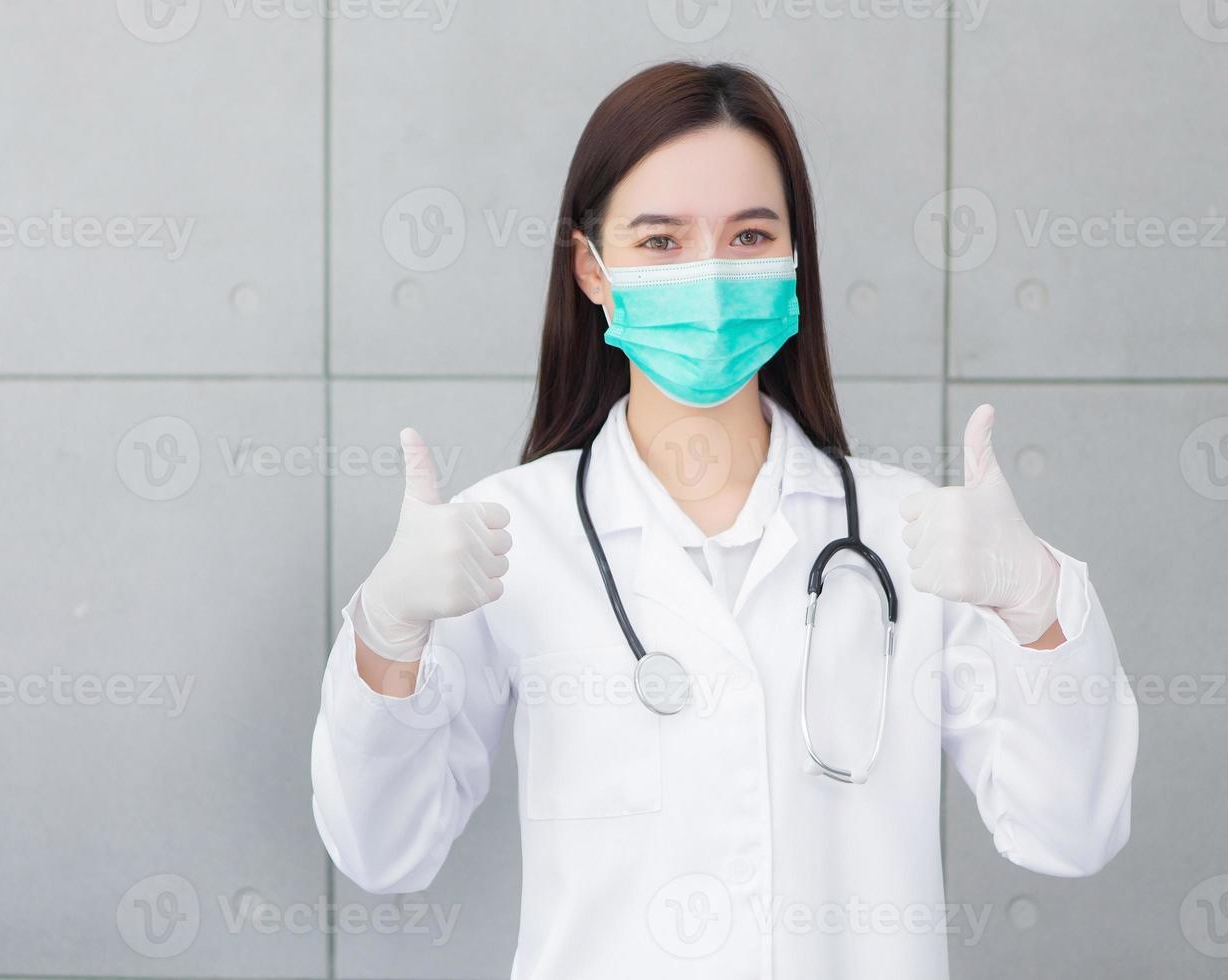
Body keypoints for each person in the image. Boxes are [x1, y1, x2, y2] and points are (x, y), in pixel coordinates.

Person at [310, 61, 1136, 979]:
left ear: (793, 263)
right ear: (591, 268)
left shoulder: (922, 538)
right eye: (660, 242)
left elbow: (1072, 833)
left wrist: (1039, 606)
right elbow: (383, 852)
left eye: (748, 234)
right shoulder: (504, 538)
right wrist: (389, 629)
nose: (707, 276)